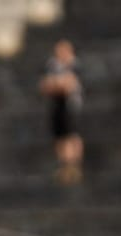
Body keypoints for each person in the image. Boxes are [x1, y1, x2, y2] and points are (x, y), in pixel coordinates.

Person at [40, 39, 84, 184]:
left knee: (71, 135)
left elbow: (69, 85)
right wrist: (58, 85)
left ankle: (73, 165)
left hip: (70, 106)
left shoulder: (74, 65)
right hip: (57, 106)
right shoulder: (52, 65)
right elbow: (45, 85)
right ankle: (64, 165)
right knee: (59, 136)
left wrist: (57, 85)